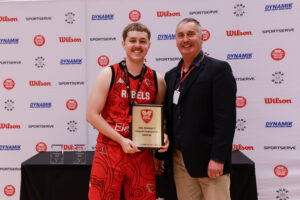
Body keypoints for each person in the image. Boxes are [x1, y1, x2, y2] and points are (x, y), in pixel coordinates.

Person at [86, 23, 169, 200]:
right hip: (109, 151)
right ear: (124, 44)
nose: (137, 45)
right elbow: (92, 115)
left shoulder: (157, 80)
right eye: (132, 40)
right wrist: (121, 140)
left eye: (142, 41)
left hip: (142, 155)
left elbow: (160, 119)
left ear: (149, 45)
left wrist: (162, 137)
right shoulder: (108, 74)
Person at [164, 18, 237, 200]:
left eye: (191, 34)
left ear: (202, 37)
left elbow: (226, 119)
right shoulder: (171, 75)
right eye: (181, 35)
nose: (185, 39)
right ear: (176, 40)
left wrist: (218, 158)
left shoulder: (218, 70)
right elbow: (169, 118)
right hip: (180, 161)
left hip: (210, 162)